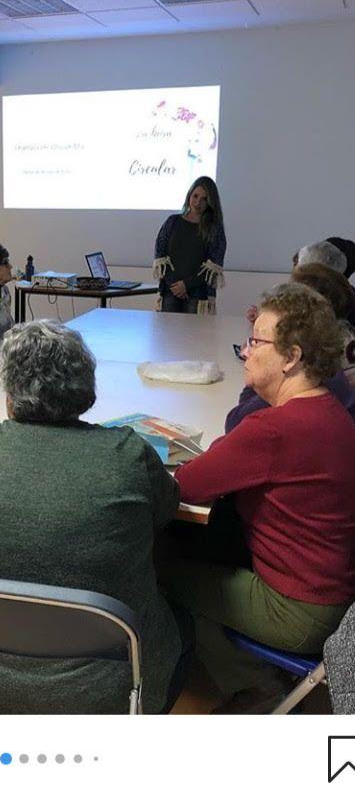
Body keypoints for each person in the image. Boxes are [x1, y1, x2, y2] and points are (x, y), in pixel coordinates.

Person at [0, 320, 192, 714]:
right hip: (105, 693)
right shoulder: (126, 453)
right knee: (183, 616)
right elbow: (166, 510)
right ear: (85, 386)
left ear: (10, 393)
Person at [162, 283, 355, 712]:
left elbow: (184, 486)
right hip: (333, 596)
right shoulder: (331, 411)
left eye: (256, 341)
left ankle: (255, 684)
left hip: (297, 610)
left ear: (291, 357)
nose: (246, 352)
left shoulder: (272, 430)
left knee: (160, 569)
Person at [227, 263, 355, 430]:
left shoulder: (309, 384)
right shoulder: (329, 368)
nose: (246, 352)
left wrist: (262, 378)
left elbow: (236, 422)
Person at [153, 176, 226, 314]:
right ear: (189, 196)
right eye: (195, 196)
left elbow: (213, 265)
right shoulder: (172, 222)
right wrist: (175, 286)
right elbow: (160, 254)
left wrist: (186, 285)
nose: (198, 202)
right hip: (170, 291)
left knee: (195, 335)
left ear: (211, 202)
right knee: (167, 334)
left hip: (198, 295)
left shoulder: (214, 229)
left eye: (204, 199)